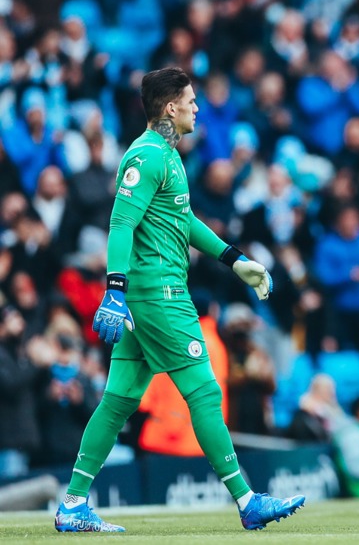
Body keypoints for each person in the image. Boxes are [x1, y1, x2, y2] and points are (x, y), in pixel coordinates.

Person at [54, 67, 304, 533]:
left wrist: (234, 259)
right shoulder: (146, 156)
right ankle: (248, 500)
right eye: (190, 100)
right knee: (206, 391)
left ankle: (72, 504)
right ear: (170, 107)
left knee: (119, 399)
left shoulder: (167, 155)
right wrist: (114, 289)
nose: (197, 107)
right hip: (160, 297)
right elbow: (120, 224)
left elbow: (185, 221)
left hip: (150, 298)